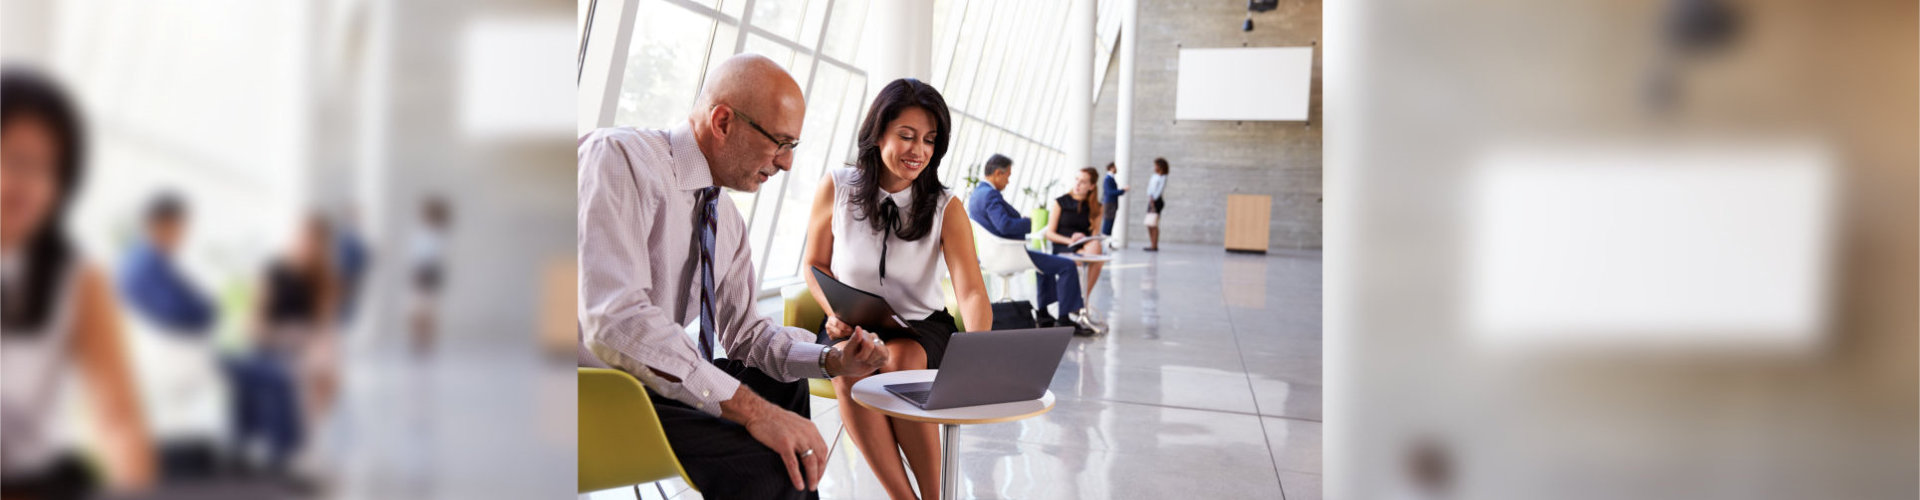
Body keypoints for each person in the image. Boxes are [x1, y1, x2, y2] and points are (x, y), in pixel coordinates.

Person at [577, 53, 890, 499]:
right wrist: (753, 413)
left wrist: (830, 360)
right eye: (779, 142)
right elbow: (615, 323)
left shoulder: (723, 217)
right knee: (769, 461)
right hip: (584, 393)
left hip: (642, 388)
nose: (786, 164)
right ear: (723, 121)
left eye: (792, 147)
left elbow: (744, 333)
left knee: (782, 388)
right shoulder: (620, 159)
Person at [802, 78, 993, 500]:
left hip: (920, 326)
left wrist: (978, 349)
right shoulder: (837, 187)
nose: (918, 150)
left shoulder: (947, 207)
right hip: (849, 321)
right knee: (850, 365)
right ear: (878, 133)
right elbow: (814, 264)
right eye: (906, 136)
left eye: (929, 140)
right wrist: (831, 313)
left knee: (901, 360)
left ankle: (933, 496)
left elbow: (972, 292)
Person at [1, 66, 157, 499]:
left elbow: (119, 420)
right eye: (15, 159)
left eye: (49, 169)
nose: (29, 182)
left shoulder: (80, 280)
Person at [226, 214, 340, 488]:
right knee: (304, 374)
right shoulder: (273, 271)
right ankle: (298, 455)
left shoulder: (324, 277)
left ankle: (303, 449)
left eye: (314, 243)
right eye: (302, 239)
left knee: (325, 372)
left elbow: (324, 323)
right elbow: (253, 324)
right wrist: (283, 337)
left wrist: (313, 339)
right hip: (272, 341)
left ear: (322, 247)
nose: (306, 246)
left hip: (305, 342)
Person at [967, 153, 1092, 333]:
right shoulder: (990, 195)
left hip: (997, 253)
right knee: (1067, 265)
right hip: (1009, 253)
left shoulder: (977, 193)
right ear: (997, 173)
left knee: (1045, 266)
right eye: (1008, 176)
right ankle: (1065, 319)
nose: (1008, 181)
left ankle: (1043, 315)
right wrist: (1029, 222)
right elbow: (1005, 225)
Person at [119, 192, 215, 337]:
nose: (182, 236)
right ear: (158, 225)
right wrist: (209, 310)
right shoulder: (147, 266)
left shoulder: (140, 254)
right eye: (178, 229)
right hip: (169, 345)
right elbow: (176, 315)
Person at [1045, 167, 1107, 296]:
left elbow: (1095, 236)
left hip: (1084, 247)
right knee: (1097, 260)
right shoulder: (1061, 202)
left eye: (1083, 182)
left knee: (1096, 246)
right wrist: (1070, 240)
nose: (1077, 184)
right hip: (1063, 247)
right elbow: (1049, 233)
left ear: (1091, 186)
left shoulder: (1097, 208)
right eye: (1077, 179)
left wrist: (1082, 238)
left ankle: (1082, 298)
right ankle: (1081, 301)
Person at [408, 196, 449, 357]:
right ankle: (418, 341)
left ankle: (425, 342)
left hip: (429, 274)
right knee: (417, 309)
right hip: (420, 273)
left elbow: (435, 259)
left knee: (427, 309)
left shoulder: (437, 235)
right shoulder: (421, 232)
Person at [1144, 157, 1170, 251]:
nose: (1154, 167)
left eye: (1156, 165)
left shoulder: (1163, 177)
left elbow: (1160, 190)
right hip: (1151, 200)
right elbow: (1150, 187)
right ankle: (1152, 244)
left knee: (1154, 223)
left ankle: (1154, 245)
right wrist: (1150, 196)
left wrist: (1153, 199)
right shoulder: (1154, 176)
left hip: (1157, 201)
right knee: (1149, 223)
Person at [1099, 162, 1125, 240]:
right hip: (1109, 203)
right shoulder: (1108, 179)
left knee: (1110, 222)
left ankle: (1107, 242)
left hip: (1111, 203)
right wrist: (1122, 190)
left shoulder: (1111, 178)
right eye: (1115, 167)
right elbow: (1109, 192)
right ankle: (1104, 242)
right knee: (1107, 222)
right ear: (1111, 168)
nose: (1116, 169)